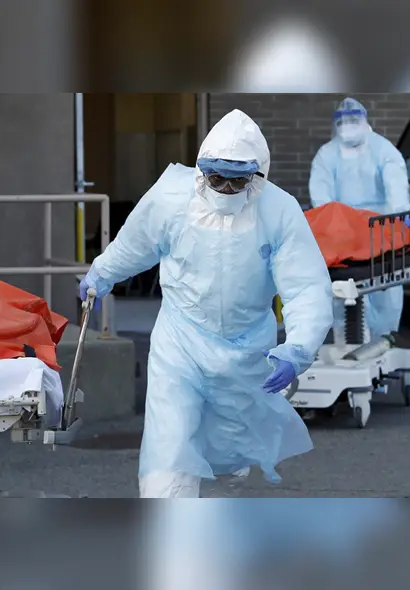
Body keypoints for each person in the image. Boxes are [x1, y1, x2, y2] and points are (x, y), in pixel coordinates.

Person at [79, 109, 333, 498]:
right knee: (171, 443)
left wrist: (299, 346)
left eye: (237, 181)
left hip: (247, 349)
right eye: (216, 178)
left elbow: (305, 286)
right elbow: (136, 242)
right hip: (180, 342)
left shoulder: (278, 211)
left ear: (258, 176)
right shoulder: (171, 198)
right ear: (200, 172)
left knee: (230, 451)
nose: (226, 190)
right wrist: (103, 273)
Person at [309, 97, 410, 341]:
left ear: (365, 121)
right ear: (336, 125)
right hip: (343, 234)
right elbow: (321, 197)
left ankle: (385, 338)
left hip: (380, 231)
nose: (349, 126)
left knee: (384, 293)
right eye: (344, 122)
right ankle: (346, 341)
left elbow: (396, 191)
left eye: (354, 120)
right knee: (342, 294)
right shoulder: (327, 156)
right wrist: (335, 224)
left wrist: (398, 221)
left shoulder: (384, 152)